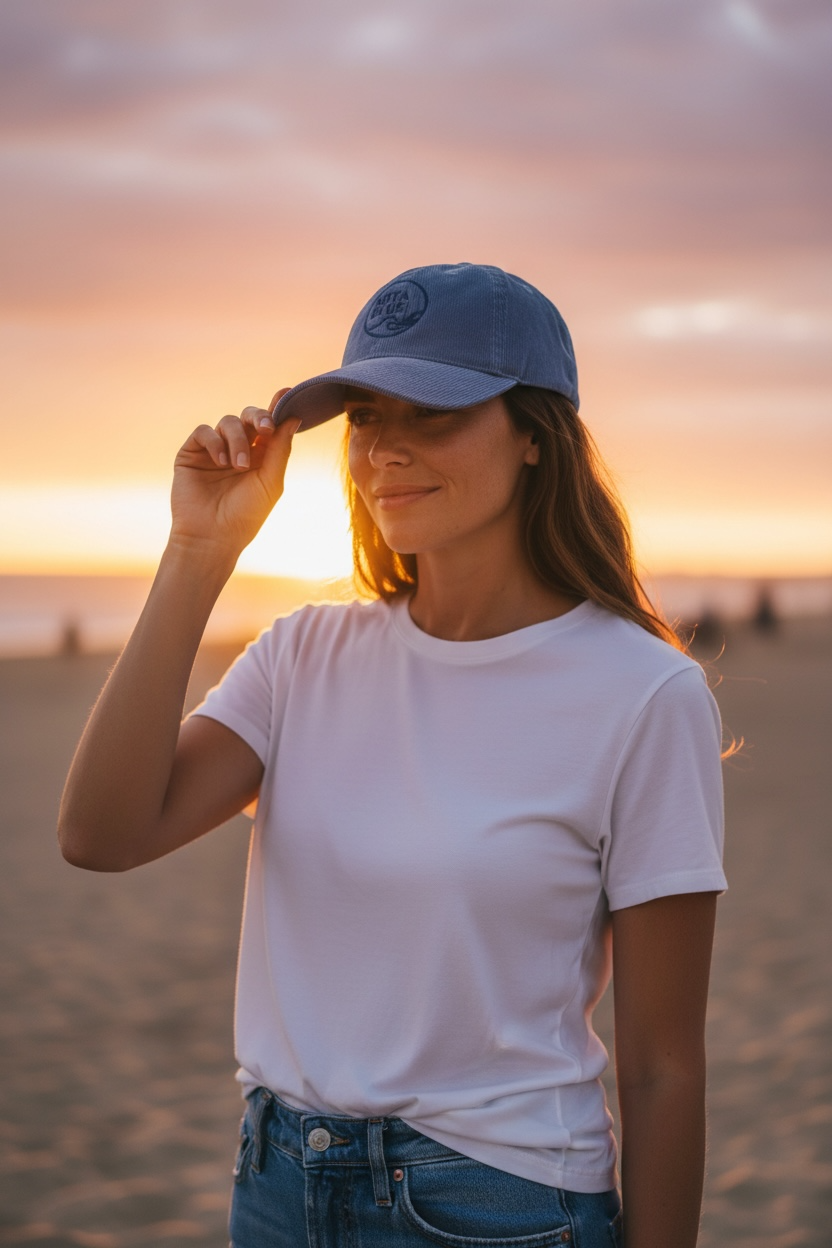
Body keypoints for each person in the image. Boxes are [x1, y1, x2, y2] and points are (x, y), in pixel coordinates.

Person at [58, 263, 727, 1248]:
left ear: (535, 435)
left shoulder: (643, 693)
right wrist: (198, 552)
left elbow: (664, 1066)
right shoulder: (301, 655)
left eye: (434, 414)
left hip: (495, 1207)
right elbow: (100, 835)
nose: (385, 452)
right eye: (367, 417)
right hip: (277, 1187)